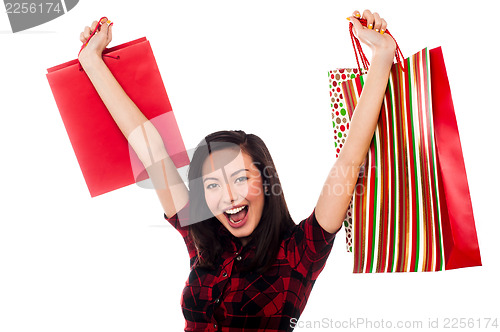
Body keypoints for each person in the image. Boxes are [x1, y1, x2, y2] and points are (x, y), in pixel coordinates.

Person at [78, 9, 396, 331]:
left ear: (266, 181)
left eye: (241, 178)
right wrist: (92, 62)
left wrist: (381, 57)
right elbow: (150, 149)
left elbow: (349, 162)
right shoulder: (202, 240)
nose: (228, 197)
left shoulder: (300, 252)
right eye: (212, 185)